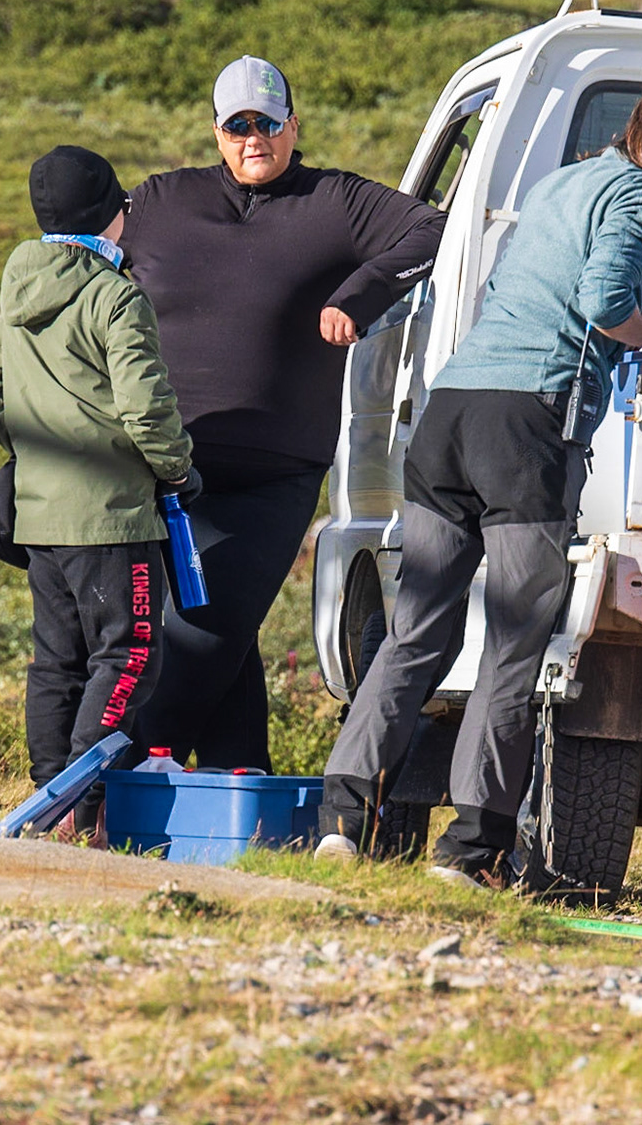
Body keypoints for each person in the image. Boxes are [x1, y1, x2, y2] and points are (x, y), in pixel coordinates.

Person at [316, 68, 642, 885]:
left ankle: (343, 816)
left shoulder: (563, 182)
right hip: (527, 428)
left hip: (453, 413)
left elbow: (499, 286)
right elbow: (603, 299)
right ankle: (471, 847)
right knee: (515, 646)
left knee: (419, 630)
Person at [123, 55, 448, 771]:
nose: (253, 139)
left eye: (267, 124)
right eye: (237, 125)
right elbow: (89, 263)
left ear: (293, 126)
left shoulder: (335, 201)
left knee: (205, 632)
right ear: (215, 131)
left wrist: (355, 297)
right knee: (216, 639)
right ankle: (242, 782)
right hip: (173, 468)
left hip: (276, 473)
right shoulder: (158, 202)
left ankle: (124, 773)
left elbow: (432, 229)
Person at [0, 145, 196, 835]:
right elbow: (148, 412)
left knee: (57, 662)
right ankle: (81, 808)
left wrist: (36, 440)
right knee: (130, 654)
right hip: (113, 520)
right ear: (110, 216)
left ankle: (43, 804)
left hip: (42, 519)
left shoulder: (24, 294)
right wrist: (176, 469)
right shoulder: (113, 296)